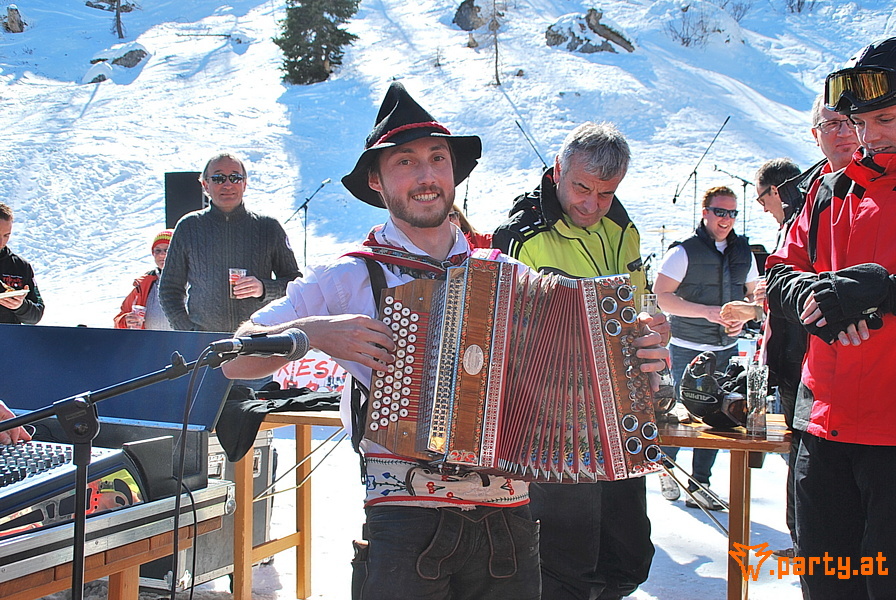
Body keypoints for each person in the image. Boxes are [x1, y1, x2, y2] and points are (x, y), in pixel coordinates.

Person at [221, 82, 670, 600]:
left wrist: (638, 359)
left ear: (453, 173)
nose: (426, 175)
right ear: (377, 180)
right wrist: (316, 334)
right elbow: (236, 357)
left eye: (437, 158)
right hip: (407, 521)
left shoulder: (507, 274)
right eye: (405, 162)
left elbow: (575, 382)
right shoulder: (347, 276)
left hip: (510, 520)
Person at [492, 121, 670, 600]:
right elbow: (499, 337)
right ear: (557, 171)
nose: (592, 205)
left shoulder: (623, 226)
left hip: (621, 411)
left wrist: (652, 327)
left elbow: (637, 305)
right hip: (553, 425)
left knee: (628, 559)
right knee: (563, 567)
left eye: (606, 194)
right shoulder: (520, 235)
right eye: (582, 189)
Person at [767, 37, 896, 599]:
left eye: (886, 118)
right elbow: (779, 270)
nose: (871, 136)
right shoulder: (829, 189)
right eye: (862, 121)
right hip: (826, 428)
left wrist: (884, 291)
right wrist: (808, 298)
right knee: (829, 585)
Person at [759, 98, 860, 560]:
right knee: (817, 541)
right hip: (809, 385)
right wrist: (812, 295)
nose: (845, 133)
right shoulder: (812, 192)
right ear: (814, 133)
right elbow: (781, 274)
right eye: (831, 124)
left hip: (872, 392)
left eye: (853, 122)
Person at [653, 186, 760, 510]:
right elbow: (662, 295)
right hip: (686, 346)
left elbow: (756, 296)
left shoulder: (745, 252)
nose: (726, 219)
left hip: (725, 347)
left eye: (732, 213)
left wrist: (743, 316)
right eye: (719, 212)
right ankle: (667, 468)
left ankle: (700, 485)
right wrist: (706, 311)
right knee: (681, 416)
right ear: (705, 212)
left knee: (717, 417)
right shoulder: (684, 251)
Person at [159, 153, 301, 333]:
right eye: (218, 178)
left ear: (245, 183)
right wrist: (188, 332)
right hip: (204, 345)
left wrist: (264, 288)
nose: (228, 185)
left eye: (235, 177)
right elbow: (169, 290)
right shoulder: (188, 227)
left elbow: (294, 284)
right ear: (205, 185)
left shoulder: (269, 227)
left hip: (259, 340)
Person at [113, 229, 174, 330]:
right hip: (150, 344)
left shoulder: (194, 281)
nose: (161, 255)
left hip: (189, 345)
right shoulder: (143, 285)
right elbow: (119, 320)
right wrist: (126, 321)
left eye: (167, 250)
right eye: (157, 250)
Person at [0, 203, 44, 325]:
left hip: (8, 341)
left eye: (6, 235)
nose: (1, 242)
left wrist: (21, 307)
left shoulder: (21, 267)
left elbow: (37, 314)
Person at [754, 158, 802, 232]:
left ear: (775, 191)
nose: (765, 209)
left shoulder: (801, 228)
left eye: (762, 201)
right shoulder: (811, 213)